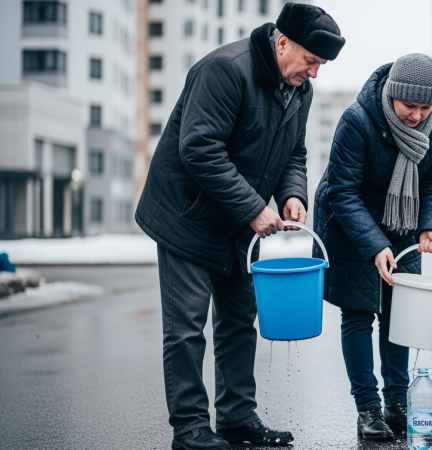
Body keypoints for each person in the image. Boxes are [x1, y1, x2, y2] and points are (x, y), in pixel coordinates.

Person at [134, 3, 344, 449]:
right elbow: (199, 148)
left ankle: (235, 416)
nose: (314, 73)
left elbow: (294, 153)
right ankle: (190, 427)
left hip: (239, 222)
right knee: (187, 327)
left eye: (321, 66)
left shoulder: (299, 90)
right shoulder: (225, 70)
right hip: (187, 216)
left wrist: (292, 195)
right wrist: (253, 208)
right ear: (282, 43)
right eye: (311, 61)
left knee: (238, 321)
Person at [312, 54, 432, 441]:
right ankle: (368, 409)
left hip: (404, 223)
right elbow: (342, 192)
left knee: (399, 314)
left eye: (426, 107)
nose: (417, 115)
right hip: (351, 224)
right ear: (392, 94)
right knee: (359, 313)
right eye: (410, 105)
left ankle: (397, 403)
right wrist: (374, 245)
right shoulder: (357, 121)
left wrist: (430, 227)